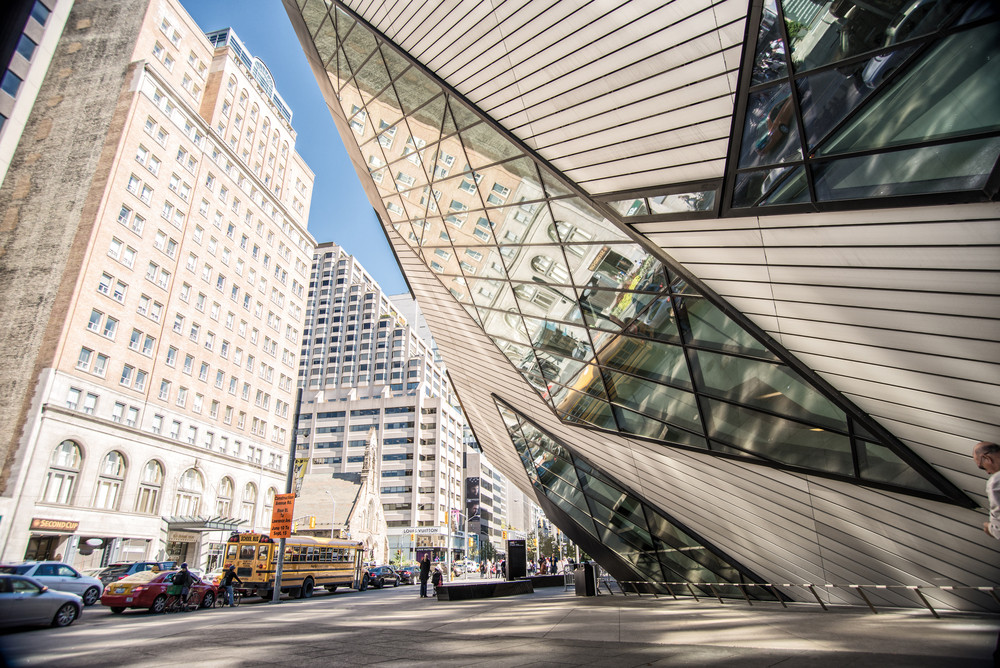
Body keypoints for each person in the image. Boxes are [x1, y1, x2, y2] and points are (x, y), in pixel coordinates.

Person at [972, 441, 1000, 666]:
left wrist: (989, 528)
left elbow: (999, 523)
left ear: (988, 459)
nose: (985, 470)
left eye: (982, 467)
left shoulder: (996, 481)